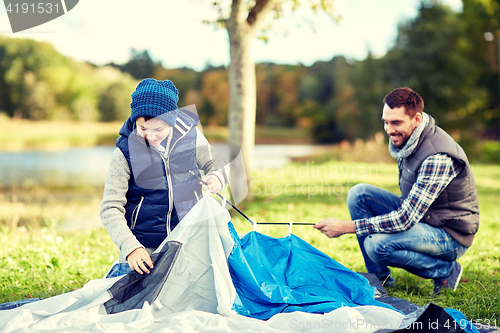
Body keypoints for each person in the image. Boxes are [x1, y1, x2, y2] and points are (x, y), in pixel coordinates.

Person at [314, 87, 479, 294]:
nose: (389, 130)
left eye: (396, 122)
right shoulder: (410, 140)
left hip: (450, 234)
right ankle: (379, 280)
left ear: (416, 119)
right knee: (359, 194)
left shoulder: (438, 156)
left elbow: (405, 219)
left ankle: (446, 270)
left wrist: (347, 227)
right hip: (426, 217)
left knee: (377, 245)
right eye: (386, 121)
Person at [100, 78, 229, 278]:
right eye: (143, 129)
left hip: (187, 241)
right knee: (123, 302)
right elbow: (110, 208)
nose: (150, 136)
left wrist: (217, 177)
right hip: (144, 248)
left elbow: (217, 163)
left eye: (158, 129)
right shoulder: (124, 153)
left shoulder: (192, 138)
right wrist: (130, 247)